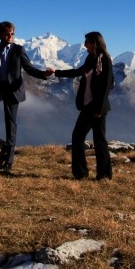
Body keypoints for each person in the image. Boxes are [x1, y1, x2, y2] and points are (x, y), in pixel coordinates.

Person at [0, 21, 53, 173]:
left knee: (10, 124)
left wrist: (43, 74)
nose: (10, 36)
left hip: (13, 89)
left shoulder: (18, 50)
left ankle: (9, 162)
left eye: (12, 33)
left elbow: (29, 68)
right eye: (7, 33)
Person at [53, 31, 114, 180]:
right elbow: (77, 72)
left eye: (87, 41)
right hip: (88, 105)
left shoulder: (104, 60)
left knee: (90, 138)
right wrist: (56, 73)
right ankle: (94, 174)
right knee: (92, 138)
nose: (85, 44)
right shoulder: (90, 58)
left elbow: (106, 85)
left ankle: (93, 174)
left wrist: (98, 109)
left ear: (95, 42)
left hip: (96, 107)